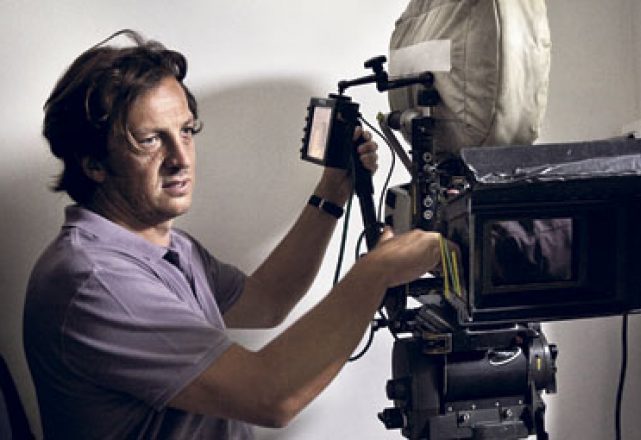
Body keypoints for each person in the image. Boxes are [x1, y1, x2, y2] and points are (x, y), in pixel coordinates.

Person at [24, 30, 444, 439]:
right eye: (150, 140)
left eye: (186, 131)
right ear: (93, 163)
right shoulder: (96, 281)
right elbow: (271, 396)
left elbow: (268, 300)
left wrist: (333, 189)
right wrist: (376, 273)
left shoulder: (165, 246)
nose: (180, 158)